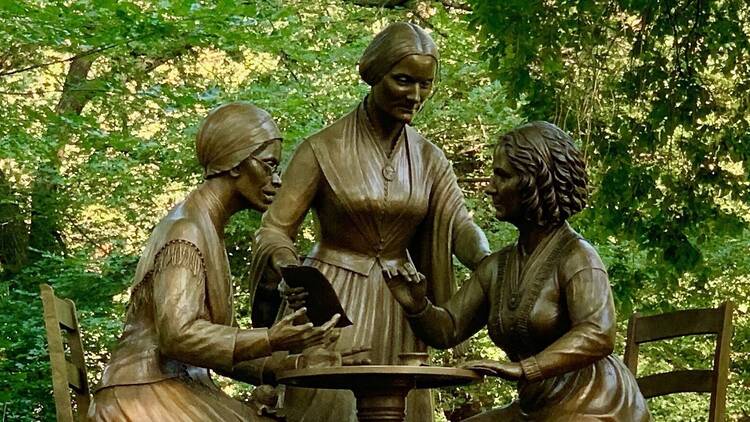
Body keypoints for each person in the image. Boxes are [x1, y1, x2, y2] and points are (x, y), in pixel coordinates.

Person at [248, 22, 490, 422]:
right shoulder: (321, 148)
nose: (415, 95)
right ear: (375, 74)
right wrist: (289, 270)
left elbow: (460, 225)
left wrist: (489, 264)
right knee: (331, 405)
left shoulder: (431, 159)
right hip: (333, 302)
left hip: (403, 304)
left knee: (403, 406)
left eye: (425, 85)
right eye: (403, 80)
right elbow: (275, 228)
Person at [384, 121, 651, 421]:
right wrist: (417, 306)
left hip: (596, 405)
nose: (490, 187)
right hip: (534, 408)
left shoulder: (578, 257)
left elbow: (598, 333)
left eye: (503, 176)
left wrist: (525, 368)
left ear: (535, 182)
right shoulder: (498, 266)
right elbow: (449, 329)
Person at [88, 102, 338, 421]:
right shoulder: (187, 231)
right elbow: (178, 336)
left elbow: (218, 346)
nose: (277, 180)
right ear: (235, 163)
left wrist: (295, 363)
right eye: (269, 165)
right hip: (144, 393)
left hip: (175, 386)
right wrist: (270, 339)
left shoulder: (205, 227)